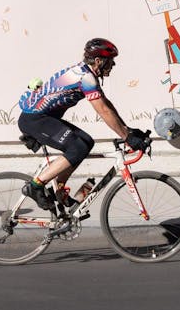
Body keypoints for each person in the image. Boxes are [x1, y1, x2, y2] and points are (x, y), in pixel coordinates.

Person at [17, 37, 149, 210]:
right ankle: (35, 186)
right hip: (34, 118)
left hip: (45, 118)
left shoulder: (87, 73)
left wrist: (127, 130)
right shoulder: (85, 77)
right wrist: (126, 137)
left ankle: (60, 189)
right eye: (111, 61)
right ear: (98, 61)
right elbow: (103, 111)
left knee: (86, 142)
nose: (113, 65)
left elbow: (106, 104)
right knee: (77, 147)